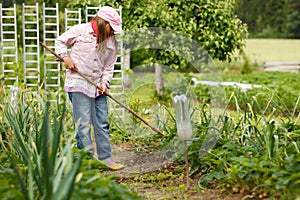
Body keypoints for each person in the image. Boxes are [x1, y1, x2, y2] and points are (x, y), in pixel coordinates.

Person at [55, 6, 124, 170]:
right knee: (84, 124)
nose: (112, 32)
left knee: (102, 122)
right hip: (78, 82)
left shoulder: (111, 41)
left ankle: (106, 158)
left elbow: (109, 66)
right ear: (102, 22)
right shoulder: (80, 31)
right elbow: (60, 42)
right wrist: (65, 57)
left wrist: (104, 83)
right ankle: (86, 162)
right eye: (111, 28)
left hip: (98, 86)